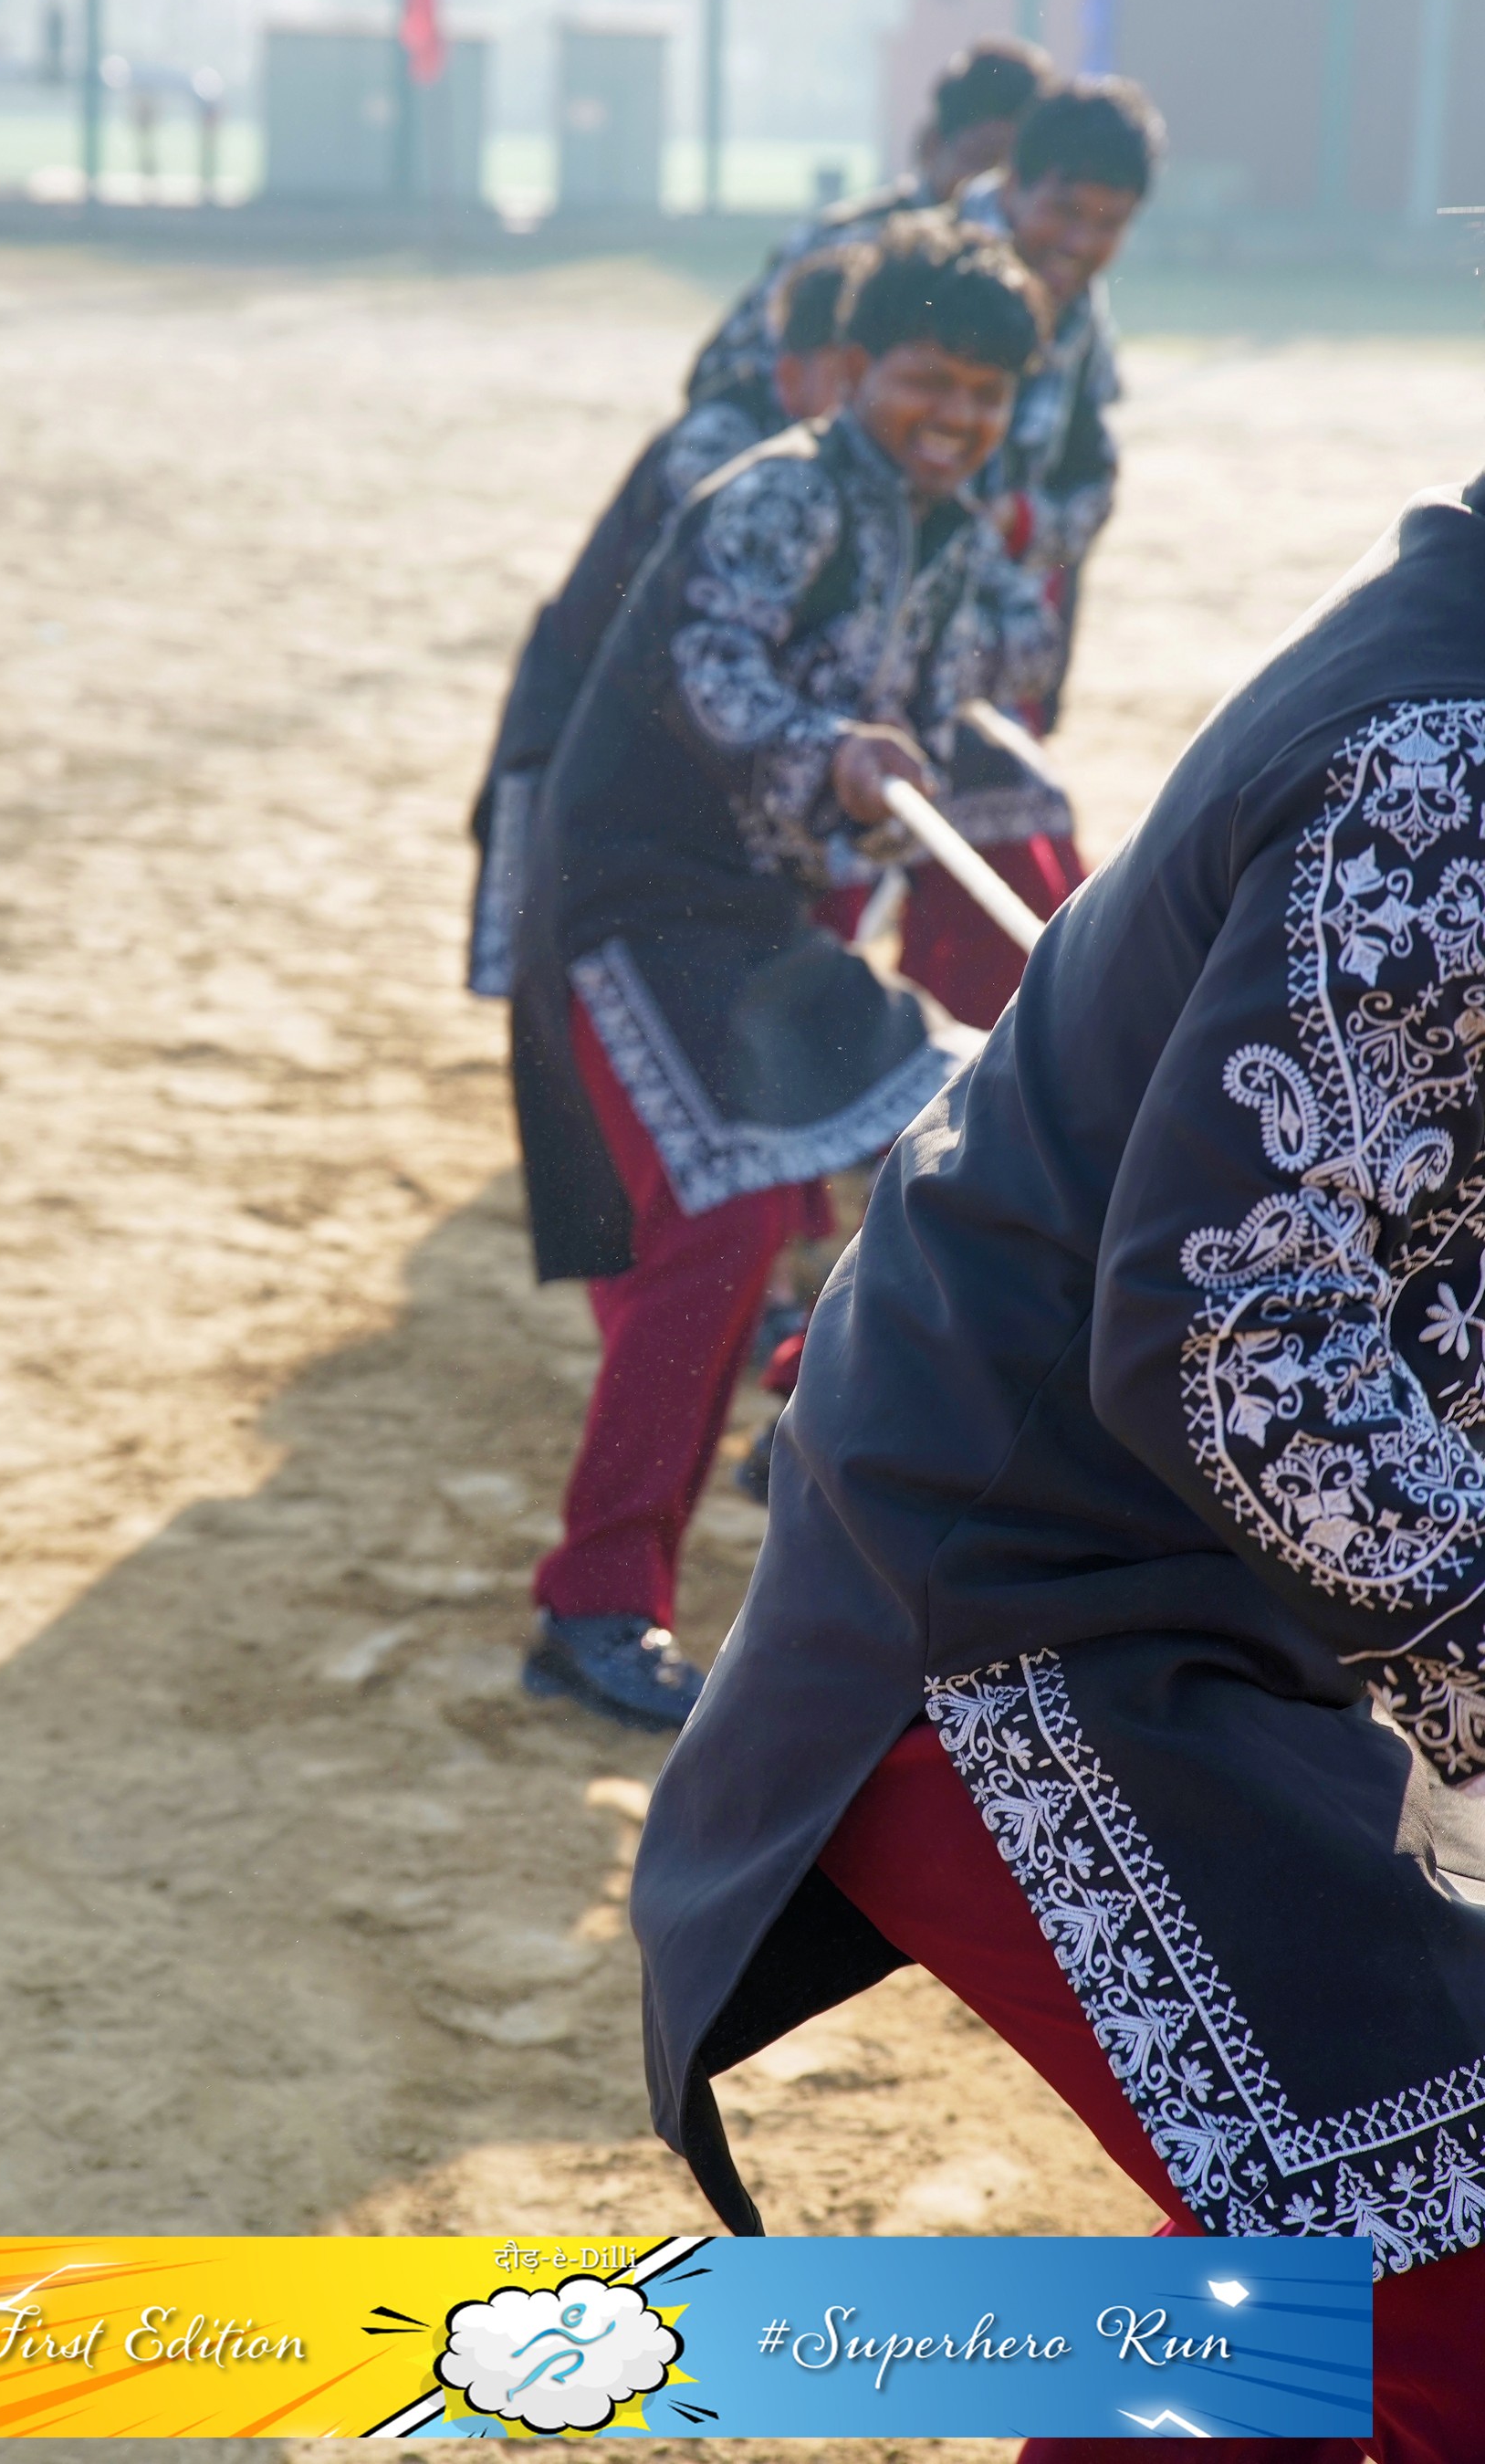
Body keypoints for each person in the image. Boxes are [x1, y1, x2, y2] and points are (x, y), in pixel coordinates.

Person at [631, 471, 1485, 2461]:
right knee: (1426, 2259)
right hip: (1028, 1609)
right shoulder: (1441, 767)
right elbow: (1238, 1328)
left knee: (1362, 2251)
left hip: (1193, 1582)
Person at [510, 214, 1049, 1732]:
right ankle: (596, 1606)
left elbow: (953, 714)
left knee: (968, 1136)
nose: (952, 418)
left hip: (762, 925)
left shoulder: (957, 542)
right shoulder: (781, 494)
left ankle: (810, 1394)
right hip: (635, 899)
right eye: (927, 380)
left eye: (985, 396)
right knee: (726, 1226)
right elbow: (713, 677)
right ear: (853, 367)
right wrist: (836, 752)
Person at [468, 246, 859, 1001]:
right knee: (559, 959)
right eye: (850, 378)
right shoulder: (725, 457)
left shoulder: (847, 478)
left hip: (677, 756)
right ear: (792, 375)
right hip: (587, 725)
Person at [894, 73, 1166, 1030]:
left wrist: (1014, 524)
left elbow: (1088, 486)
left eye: (1109, 223)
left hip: (985, 654)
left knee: (1006, 892)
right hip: (861, 646)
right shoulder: (911, 262)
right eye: (1065, 210)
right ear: (1013, 182)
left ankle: (965, 1073)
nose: (1081, 242)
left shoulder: (1078, 311)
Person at [683, 36, 1052, 413]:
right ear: (932, 146)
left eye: (1018, 174)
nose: (995, 191)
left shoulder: (1026, 264)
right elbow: (723, 376)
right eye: (985, 162)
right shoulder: (854, 243)